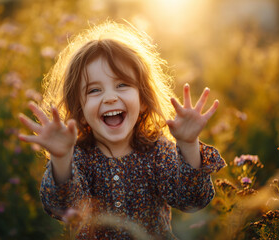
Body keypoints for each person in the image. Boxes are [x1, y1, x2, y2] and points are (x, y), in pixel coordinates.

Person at [18, 20, 226, 239]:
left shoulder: (157, 151)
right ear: (79, 110)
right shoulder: (79, 156)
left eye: (122, 85)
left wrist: (188, 143)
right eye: (94, 90)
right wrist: (61, 158)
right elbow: (62, 208)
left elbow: (192, 200)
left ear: (143, 99)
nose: (110, 98)